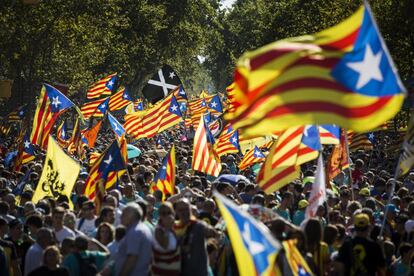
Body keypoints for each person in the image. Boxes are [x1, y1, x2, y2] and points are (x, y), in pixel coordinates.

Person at [174, 199, 217, 276]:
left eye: (186, 209)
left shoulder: (199, 226)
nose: (184, 212)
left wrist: (211, 231)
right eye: (181, 210)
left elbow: (214, 234)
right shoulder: (174, 228)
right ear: (176, 211)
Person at [114, 202, 153, 276]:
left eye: (123, 214)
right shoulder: (142, 228)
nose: (120, 217)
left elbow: (131, 259)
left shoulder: (135, 232)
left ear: (131, 216)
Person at [152, 202, 180, 275]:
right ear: (160, 215)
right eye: (164, 213)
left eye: (169, 212)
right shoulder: (158, 229)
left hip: (174, 270)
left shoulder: (175, 227)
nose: (167, 215)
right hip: (161, 271)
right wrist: (167, 228)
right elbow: (165, 246)